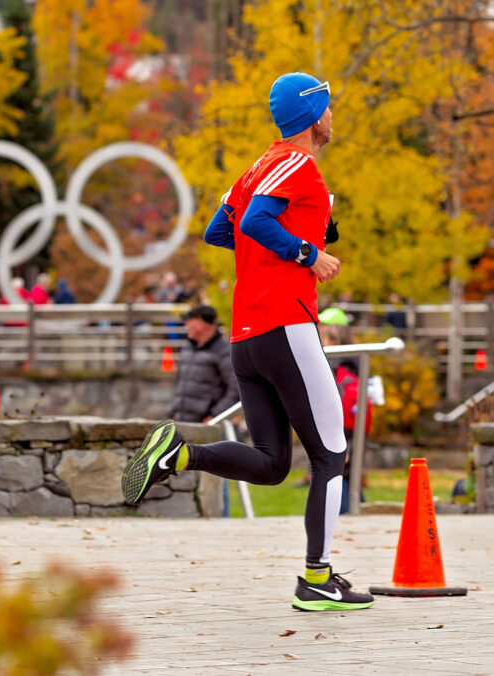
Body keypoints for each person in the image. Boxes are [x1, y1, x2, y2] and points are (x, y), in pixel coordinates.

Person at [121, 72, 374, 611]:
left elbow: (222, 230)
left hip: (246, 337)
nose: (332, 116)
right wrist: (307, 254)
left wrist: (305, 227)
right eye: (327, 107)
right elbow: (258, 219)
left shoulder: (259, 167)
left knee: (272, 463)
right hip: (288, 326)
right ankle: (317, 578)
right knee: (331, 455)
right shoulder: (298, 164)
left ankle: (178, 455)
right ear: (312, 116)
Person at [318, 308, 372, 514]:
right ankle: (359, 509)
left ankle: (344, 514)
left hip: (338, 423)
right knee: (348, 471)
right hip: (355, 422)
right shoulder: (357, 358)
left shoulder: (332, 360)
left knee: (336, 472)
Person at [166, 305, 240, 423]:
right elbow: (179, 385)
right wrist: (171, 413)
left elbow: (236, 389)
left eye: (189, 321)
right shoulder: (187, 349)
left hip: (206, 426)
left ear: (201, 322)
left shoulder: (223, 351)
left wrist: (215, 416)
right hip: (180, 422)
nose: (186, 326)